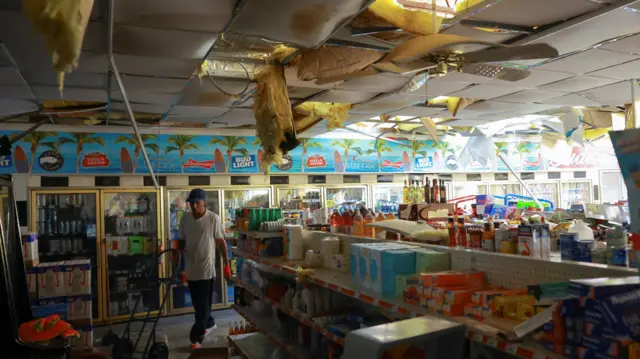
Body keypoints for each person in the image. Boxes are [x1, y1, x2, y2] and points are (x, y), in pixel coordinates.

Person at [178, 189, 232, 350]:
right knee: (198, 304)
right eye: (192, 203)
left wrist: (226, 265)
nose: (194, 206)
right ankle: (210, 322)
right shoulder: (185, 218)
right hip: (190, 269)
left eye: (198, 203)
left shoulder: (213, 219)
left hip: (206, 270)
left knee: (201, 307)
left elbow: (221, 243)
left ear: (204, 203)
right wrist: (178, 263)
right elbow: (181, 240)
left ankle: (196, 338)